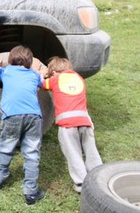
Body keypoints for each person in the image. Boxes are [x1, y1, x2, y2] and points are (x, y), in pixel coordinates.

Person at [0, 45, 45, 205]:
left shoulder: (5, 72)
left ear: (11, 60)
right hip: (34, 116)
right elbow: (41, 81)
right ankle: (31, 192)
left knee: (6, 145)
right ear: (29, 63)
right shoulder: (34, 75)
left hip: (12, 115)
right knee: (32, 153)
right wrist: (37, 69)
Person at [42, 57, 102, 193]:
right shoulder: (79, 78)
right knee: (91, 150)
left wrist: (45, 74)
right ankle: (98, 175)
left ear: (54, 72)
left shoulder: (55, 79)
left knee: (73, 152)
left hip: (67, 124)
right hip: (85, 121)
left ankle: (81, 183)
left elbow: (42, 84)